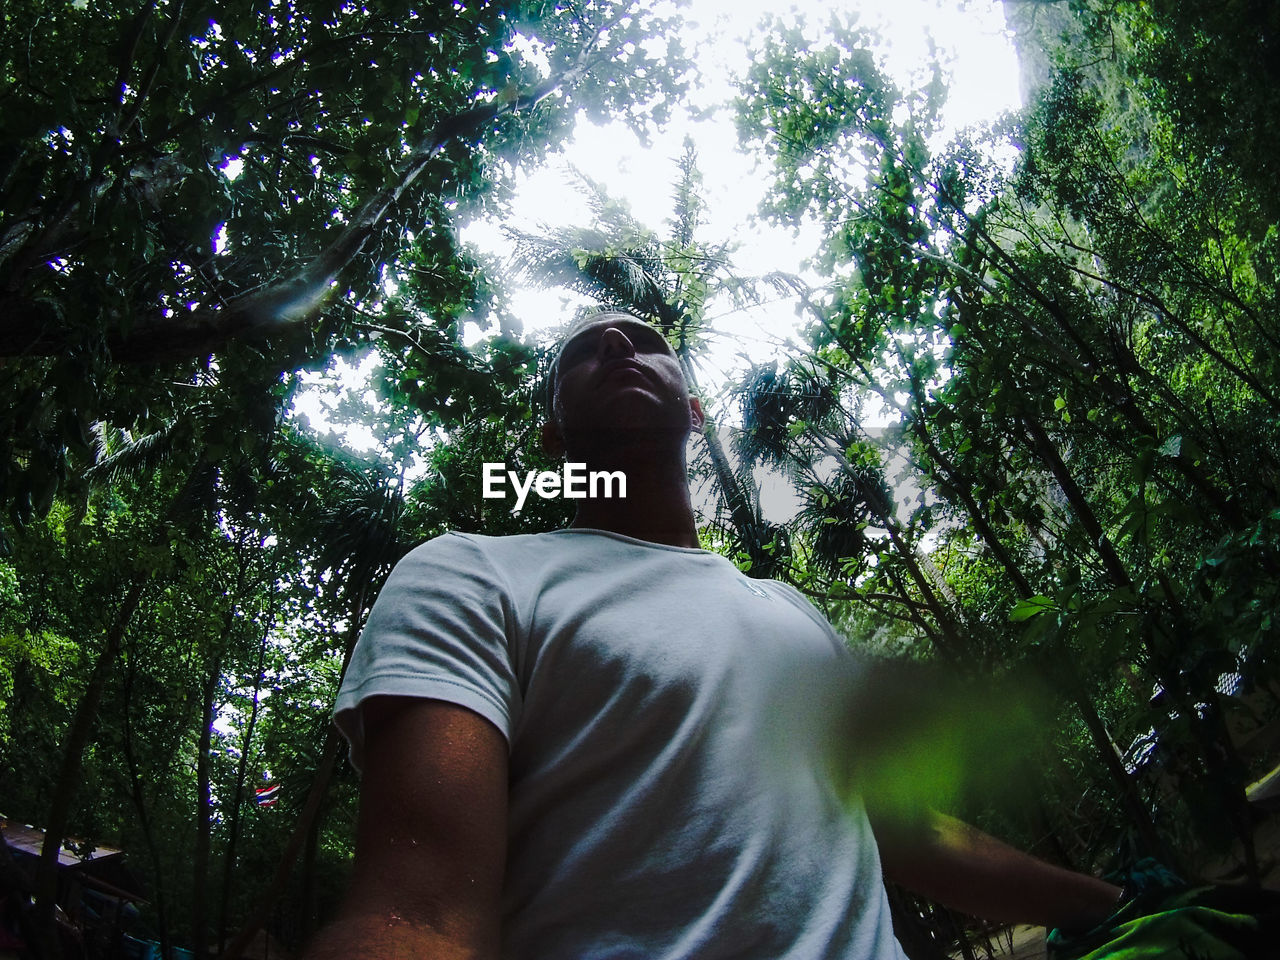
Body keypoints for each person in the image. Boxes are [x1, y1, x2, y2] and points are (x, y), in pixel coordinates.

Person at [303, 310, 1123, 960]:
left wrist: (1104, 904)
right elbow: (420, 912)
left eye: (647, 343)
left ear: (694, 410)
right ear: (551, 436)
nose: (619, 342)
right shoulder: (472, 575)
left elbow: (902, 830)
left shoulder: (792, 613)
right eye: (585, 352)